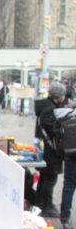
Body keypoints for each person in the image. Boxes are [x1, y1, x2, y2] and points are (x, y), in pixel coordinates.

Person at [35, 82, 67, 218]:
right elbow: (53, 131)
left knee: (45, 177)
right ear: (58, 96)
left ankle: (39, 203)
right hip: (50, 150)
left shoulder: (45, 107)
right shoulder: (50, 109)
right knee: (50, 178)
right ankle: (46, 206)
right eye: (63, 94)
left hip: (44, 148)